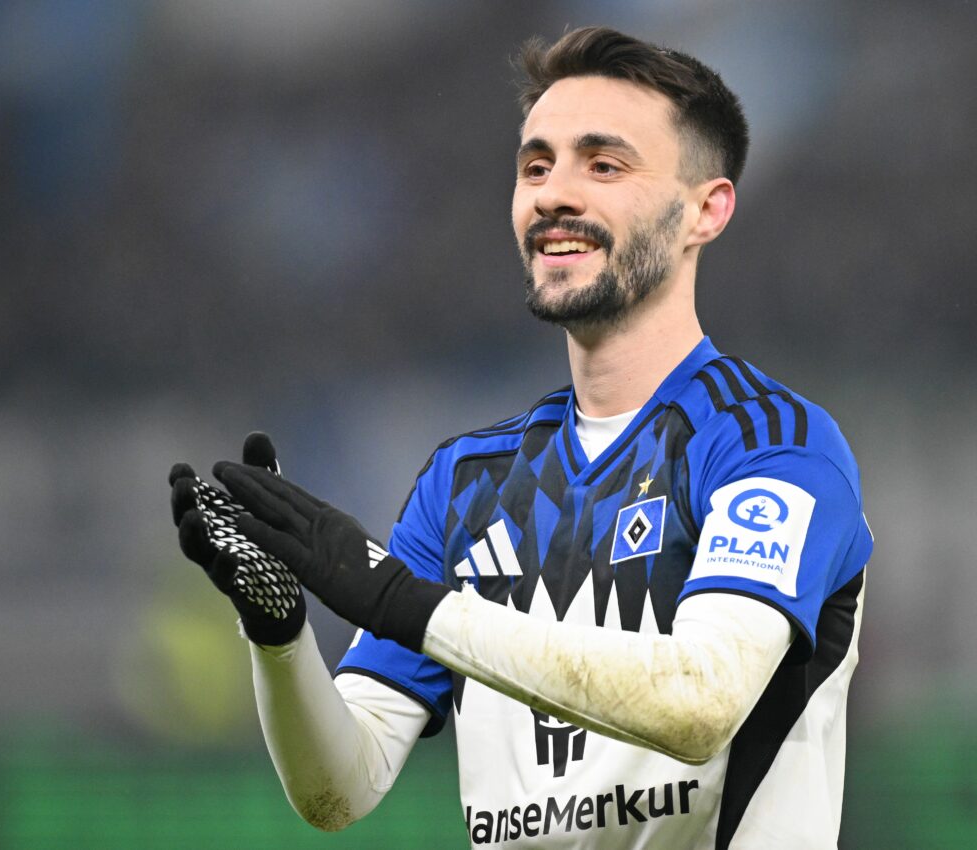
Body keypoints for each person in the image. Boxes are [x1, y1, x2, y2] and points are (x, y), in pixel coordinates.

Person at [169, 26, 872, 849]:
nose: (553, 194)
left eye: (603, 165)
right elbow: (340, 788)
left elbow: (700, 703)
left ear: (704, 211)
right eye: (536, 165)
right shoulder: (465, 482)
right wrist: (280, 639)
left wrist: (404, 602)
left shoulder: (768, 443)